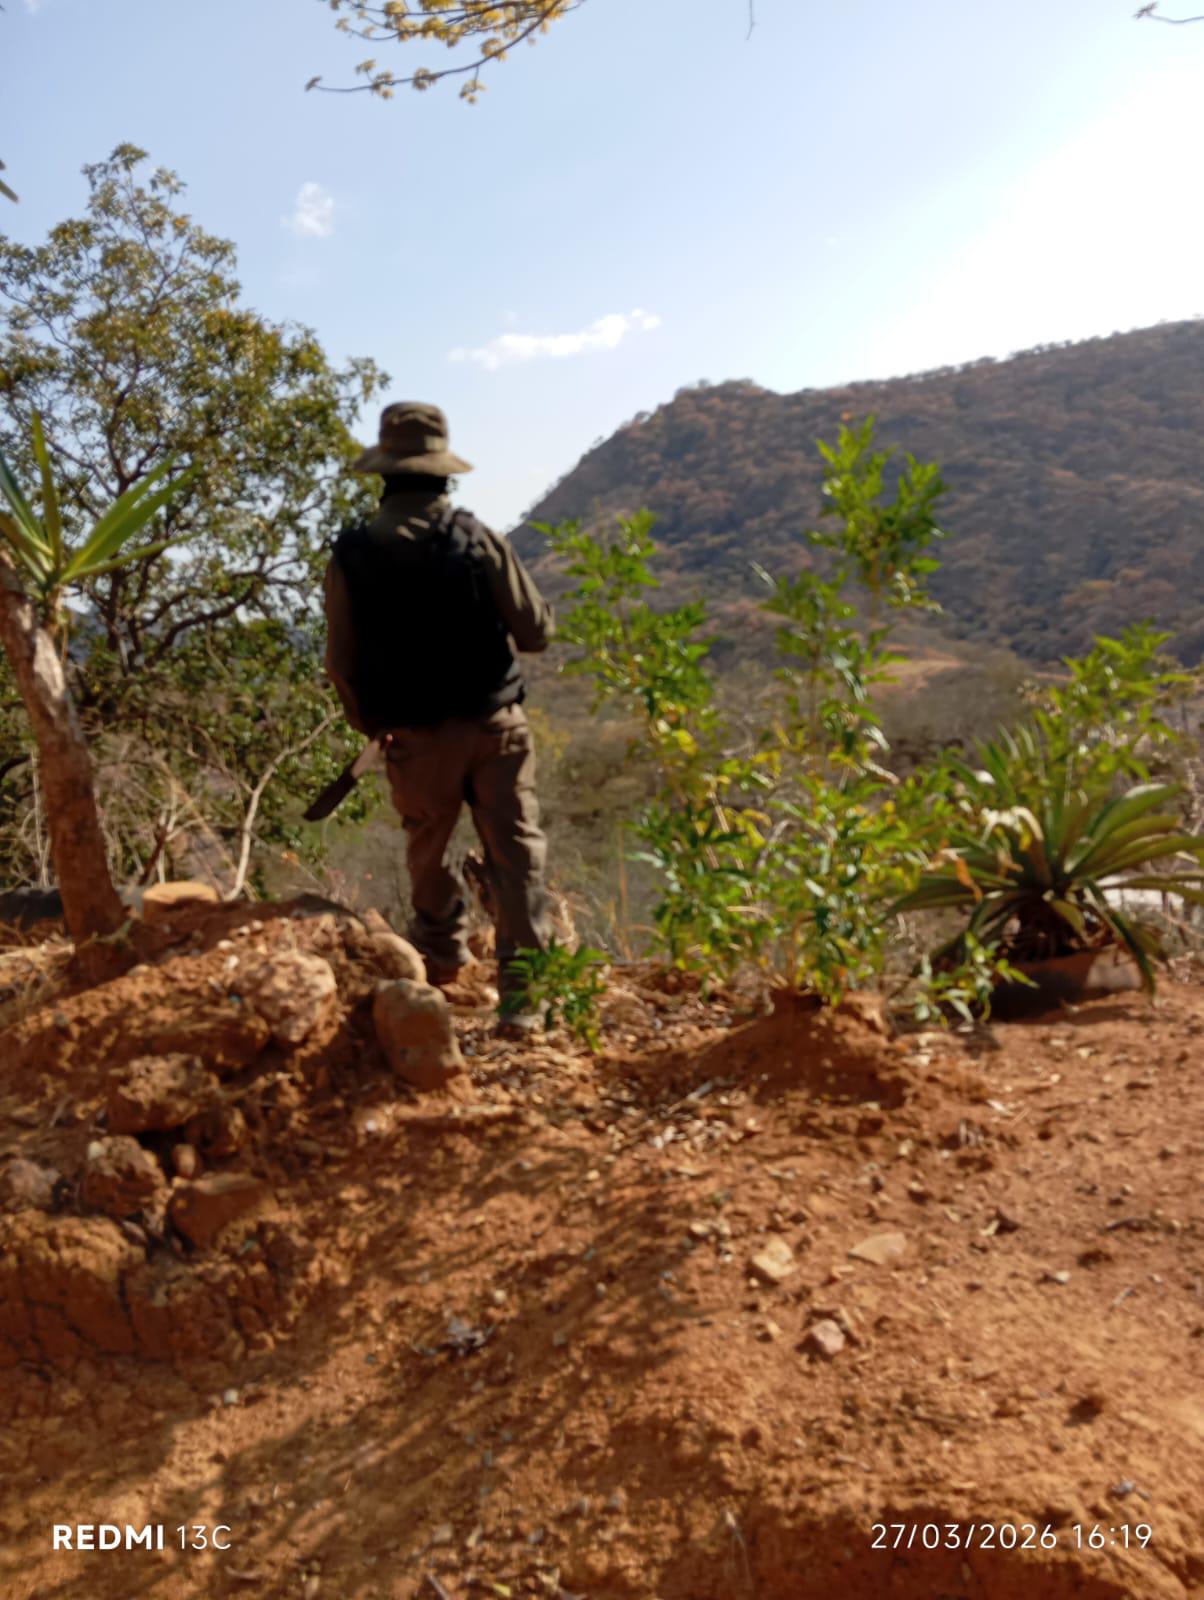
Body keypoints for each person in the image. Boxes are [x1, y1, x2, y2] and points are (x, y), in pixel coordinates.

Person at [323, 401, 555, 1030]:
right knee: (516, 851)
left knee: (428, 846)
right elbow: (535, 633)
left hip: (413, 736)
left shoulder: (352, 555)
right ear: (443, 473)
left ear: (384, 473)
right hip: (495, 725)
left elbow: (340, 663)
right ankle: (525, 997)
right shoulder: (478, 540)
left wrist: (373, 724)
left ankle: (440, 964)